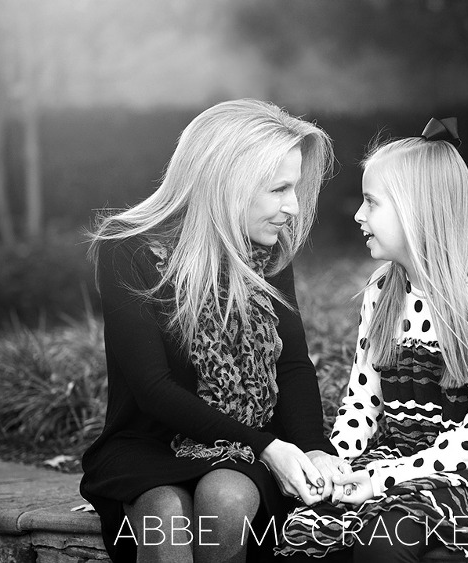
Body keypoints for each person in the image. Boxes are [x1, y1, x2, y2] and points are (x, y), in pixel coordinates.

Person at [80, 99, 342, 563]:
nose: (293, 207)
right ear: (229, 184)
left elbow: (293, 364)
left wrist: (314, 450)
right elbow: (152, 388)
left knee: (226, 499)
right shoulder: (128, 249)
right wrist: (269, 448)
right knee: (164, 513)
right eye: (280, 189)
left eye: (295, 188)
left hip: (245, 450)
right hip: (149, 445)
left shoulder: (268, 250)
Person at [278, 118, 468, 563]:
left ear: (419, 210)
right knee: (306, 529)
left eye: (371, 202)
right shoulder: (383, 292)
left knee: (387, 535)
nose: (358, 215)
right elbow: (362, 402)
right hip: (401, 458)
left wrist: (385, 479)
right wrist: (338, 465)